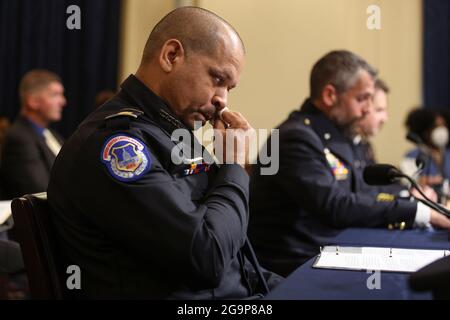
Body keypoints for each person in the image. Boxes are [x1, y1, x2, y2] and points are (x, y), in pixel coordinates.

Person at [48, 7, 281, 299]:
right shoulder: (116, 145)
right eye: (218, 80)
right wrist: (233, 164)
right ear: (171, 55)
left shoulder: (172, 132)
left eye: (229, 88)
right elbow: (207, 257)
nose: (223, 100)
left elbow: (234, 259)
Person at [248, 50, 450, 277]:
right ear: (330, 95)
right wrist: (417, 211)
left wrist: (408, 196)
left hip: (330, 248)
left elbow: (363, 189)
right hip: (294, 265)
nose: (367, 109)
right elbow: (336, 206)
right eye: (362, 98)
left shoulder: (336, 135)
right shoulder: (294, 138)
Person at [0, 70, 66, 200]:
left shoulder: (52, 135)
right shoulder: (19, 138)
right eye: (55, 95)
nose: (63, 102)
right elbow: (41, 192)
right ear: (33, 101)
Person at [401, 108, 450, 198]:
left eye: (444, 125)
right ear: (425, 131)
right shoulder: (411, 156)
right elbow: (405, 184)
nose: (442, 130)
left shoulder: (447, 155)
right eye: (436, 127)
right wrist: (421, 181)